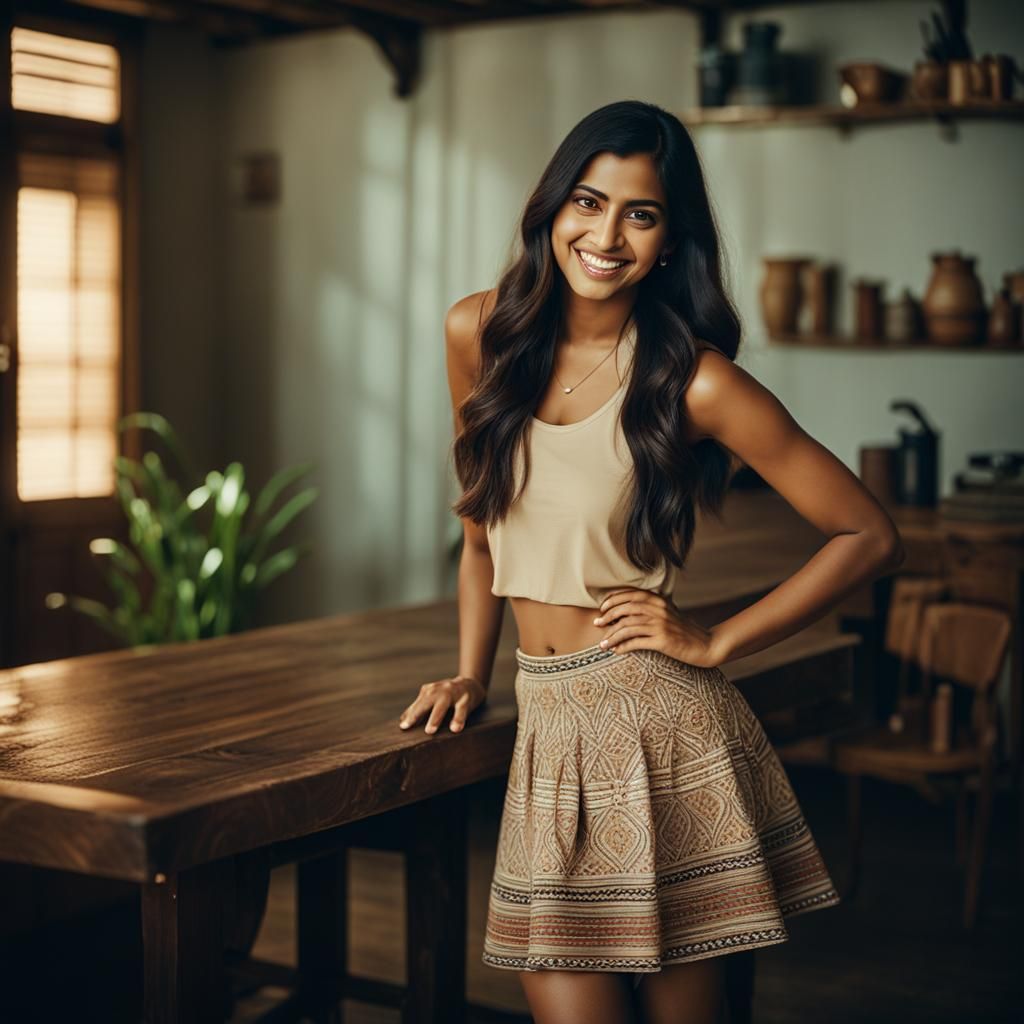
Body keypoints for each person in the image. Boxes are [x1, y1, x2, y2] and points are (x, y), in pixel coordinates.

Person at [397, 99, 904, 1024]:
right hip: (546, 723)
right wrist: (469, 672)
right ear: (552, 210)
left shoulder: (694, 379)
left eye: (641, 213)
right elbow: (480, 532)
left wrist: (718, 641)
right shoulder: (479, 333)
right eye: (587, 203)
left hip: (660, 731)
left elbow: (868, 534)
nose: (606, 235)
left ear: (671, 240)